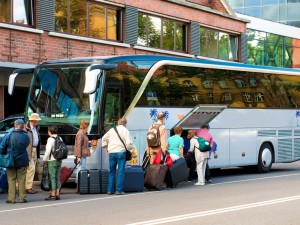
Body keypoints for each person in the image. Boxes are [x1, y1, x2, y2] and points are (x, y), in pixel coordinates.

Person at [0, 119, 30, 203]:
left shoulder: (9, 135)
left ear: (15, 125)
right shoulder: (26, 136)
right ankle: (22, 198)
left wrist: (4, 153)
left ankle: (11, 198)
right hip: (22, 160)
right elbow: (27, 144)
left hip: (10, 160)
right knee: (22, 179)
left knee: (11, 179)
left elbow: (2, 147)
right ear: (23, 126)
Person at [102, 117, 133, 195]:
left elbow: (103, 138)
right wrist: (132, 151)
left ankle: (110, 190)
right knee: (120, 172)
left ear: (118, 123)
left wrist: (106, 147)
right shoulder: (125, 130)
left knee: (112, 172)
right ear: (125, 124)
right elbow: (129, 143)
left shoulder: (111, 130)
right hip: (121, 152)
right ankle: (119, 190)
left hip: (112, 152)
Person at [43, 126, 62, 200]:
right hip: (59, 160)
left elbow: (48, 151)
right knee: (57, 177)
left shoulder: (50, 139)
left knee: (52, 178)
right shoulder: (60, 138)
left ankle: (53, 194)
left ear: (50, 132)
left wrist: (44, 159)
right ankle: (57, 194)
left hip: (52, 160)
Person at [25, 113, 42, 194]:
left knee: (31, 168)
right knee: (31, 168)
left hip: (34, 149)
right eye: (37, 120)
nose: (38, 122)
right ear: (33, 120)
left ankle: (28, 186)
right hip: (29, 150)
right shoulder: (26, 128)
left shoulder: (36, 128)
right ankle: (28, 187)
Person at [74, 120, 91, 184]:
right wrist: (78, 157)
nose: (88, 127)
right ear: (85, 126)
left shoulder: (82, 133)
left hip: (82, 154)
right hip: (81, 155)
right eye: (88, 126)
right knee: (81, 169)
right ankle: (79, 184)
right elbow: (79, 145)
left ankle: (80, 184)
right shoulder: (80, 133)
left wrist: (88, 142)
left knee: (82, 168)